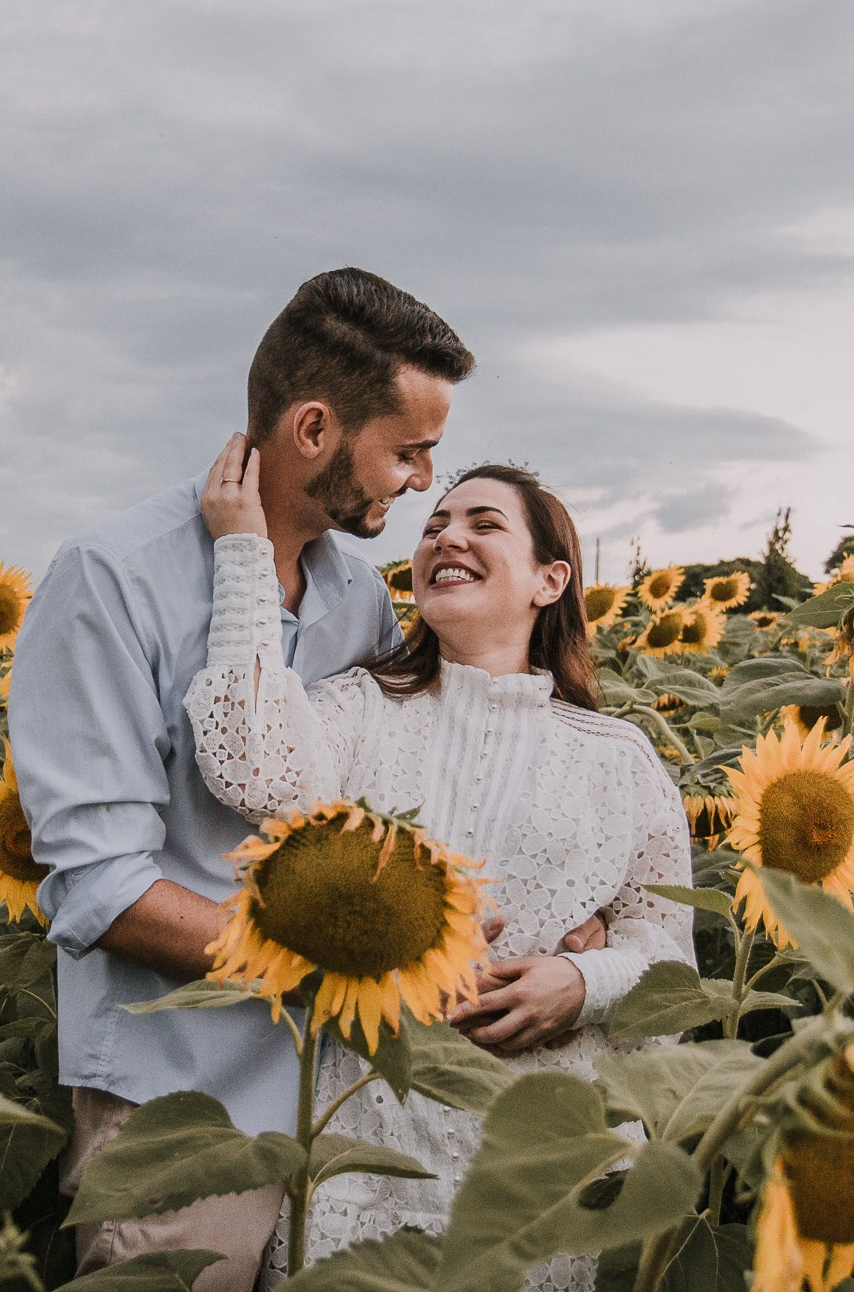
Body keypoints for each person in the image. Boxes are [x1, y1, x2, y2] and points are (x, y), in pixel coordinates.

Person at [10, 268, 603, 1291]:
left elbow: (399, 805)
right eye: (407, 450)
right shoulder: (112, 578)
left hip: (346, 1098)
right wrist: (356, 968)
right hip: (182, 1102)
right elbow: (99, 886)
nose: (421, 481)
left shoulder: (354, 602)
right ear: (316, 429)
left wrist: (562, 926)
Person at [185, 458, 698, 1291]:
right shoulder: (362, 710)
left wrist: (582, 978)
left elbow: (672, 964)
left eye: (484, 524)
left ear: (550, 579)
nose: (447, 535)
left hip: (534, 1170)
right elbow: (251, 767)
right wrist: (246, 555)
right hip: (362, 1150)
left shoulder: (620, 761)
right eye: (434, 525)